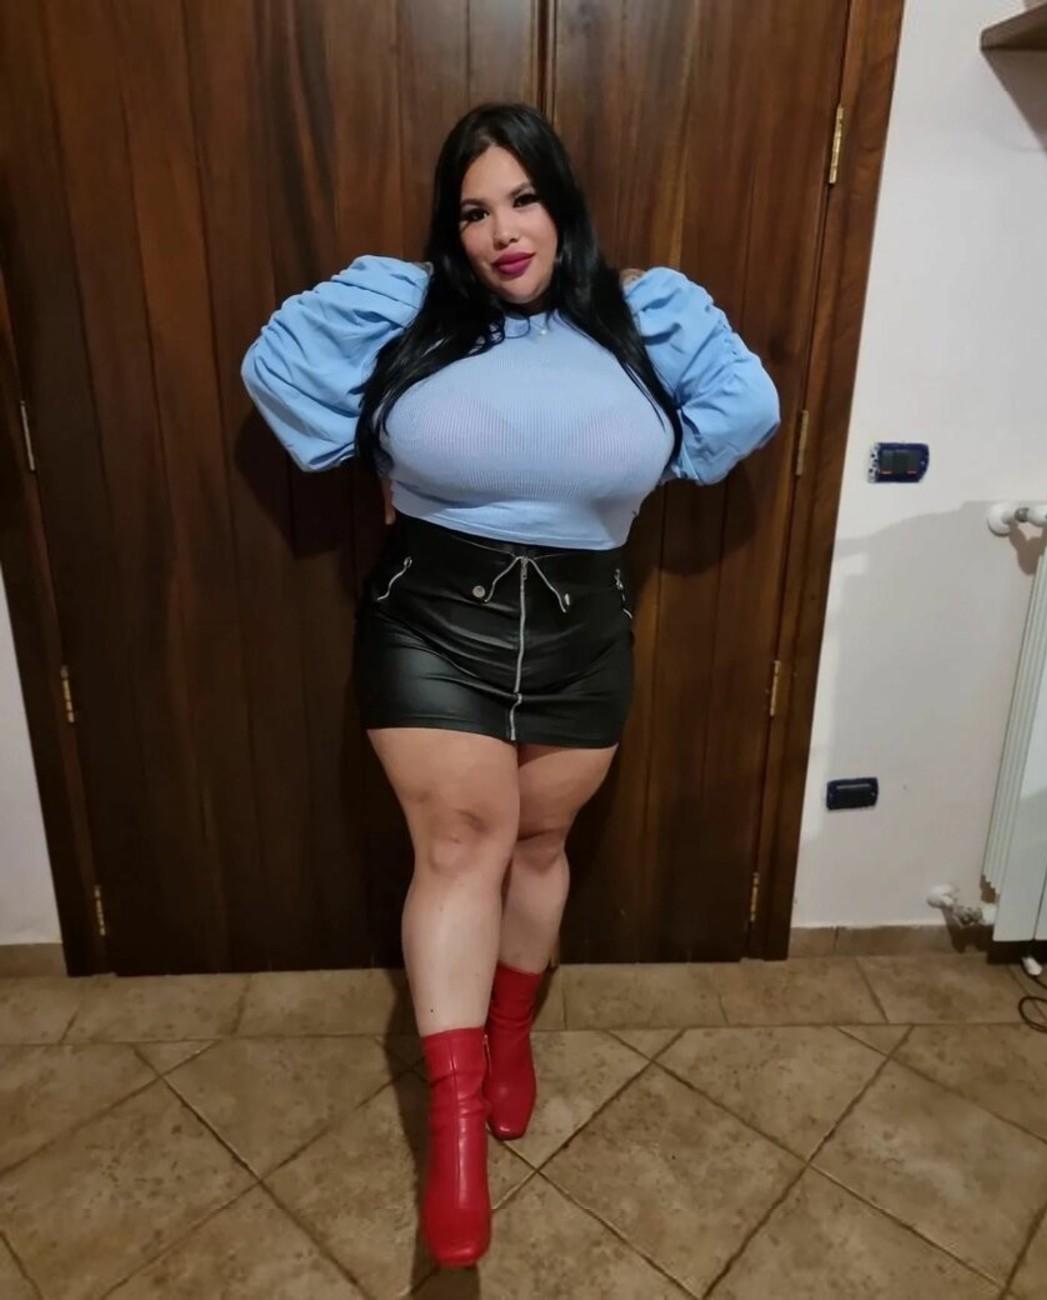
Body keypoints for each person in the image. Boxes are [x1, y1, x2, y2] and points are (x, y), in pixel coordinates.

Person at [241, 101, 779, 1269]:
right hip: (431, 623)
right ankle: (455, 1136)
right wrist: (378, 442)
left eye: (524, 199)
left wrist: (630, 467)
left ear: (562, 205)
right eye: (474, 211)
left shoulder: (640, 317)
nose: (504, 231)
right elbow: (275, 369)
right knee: (460, 846)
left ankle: (511, 1034)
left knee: (538, 847)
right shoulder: (413, 313)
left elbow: (747, 407)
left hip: (585, 631)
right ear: (454, 231)